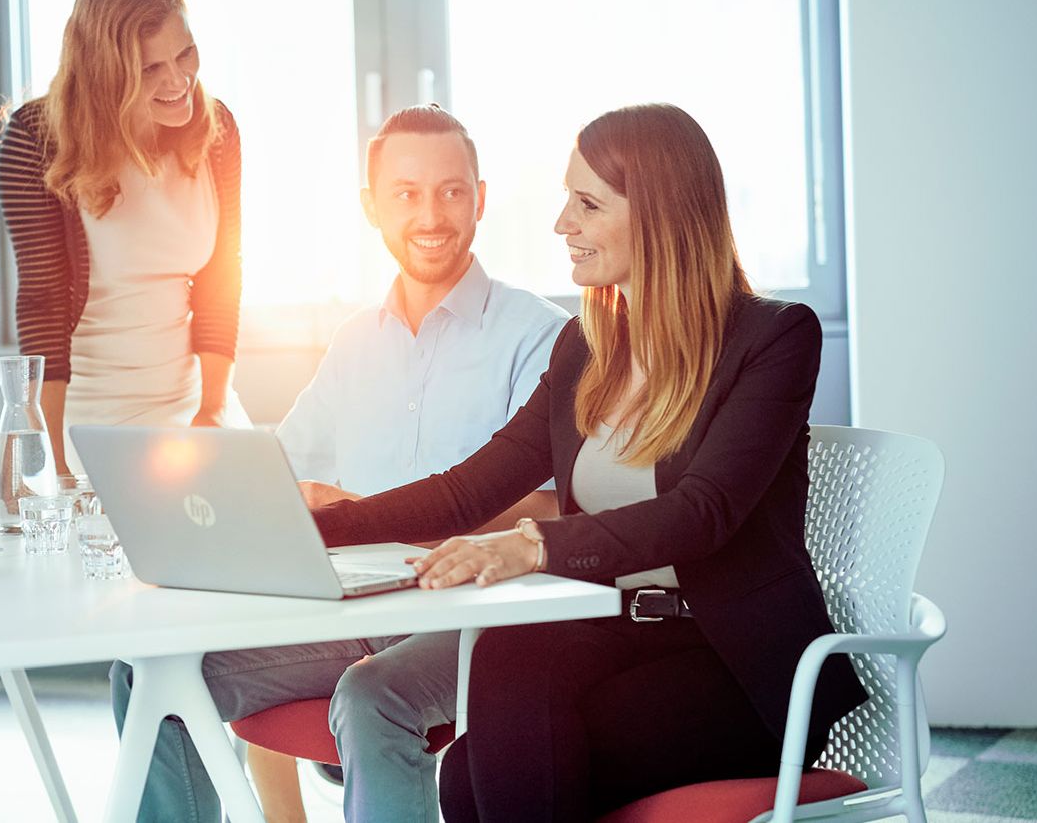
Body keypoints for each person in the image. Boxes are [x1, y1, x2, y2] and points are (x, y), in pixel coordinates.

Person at [309, 103, 868, 822]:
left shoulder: (774, 338)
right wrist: (319, 527)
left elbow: (703, 512)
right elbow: (465, 491)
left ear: (660, 214)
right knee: (478, 747)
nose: (561, 224)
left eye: (587, 204)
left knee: (495, 773)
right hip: (613, 630)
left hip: (732, 662)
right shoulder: (586, 347)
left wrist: (532, 544)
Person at [111, 105, 568, 823]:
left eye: (451, 191)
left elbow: (553, 511)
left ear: (480, 198)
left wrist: (368, 504)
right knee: (153, 671)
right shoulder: (356, 342)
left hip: (477, 617)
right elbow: (276, 470)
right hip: (355, 604)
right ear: (371, 207)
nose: (431, 214)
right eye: (406, 193)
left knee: (370, 693)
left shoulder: (538, 335)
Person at [0, 0, 249, 476]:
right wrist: (49, 461)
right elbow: (43, 301)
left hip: (195, 408)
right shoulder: (36, 138)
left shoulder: (216, 126)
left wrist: (213, 410)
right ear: (105, 72)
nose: (178, 80)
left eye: (185, 54)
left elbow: (222, 277)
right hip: (87, 419)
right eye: (150, 69)